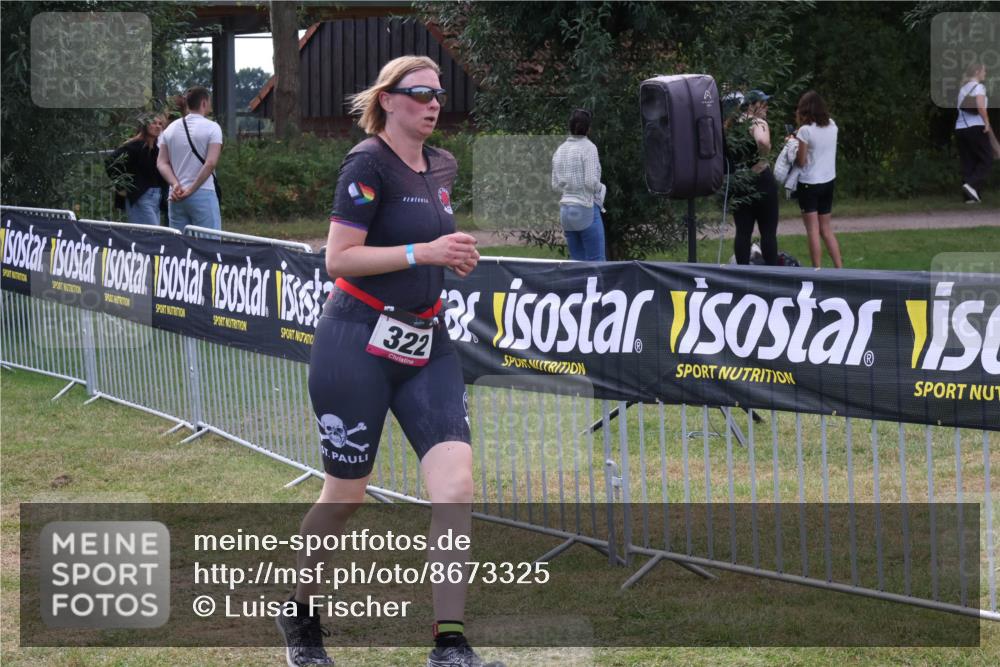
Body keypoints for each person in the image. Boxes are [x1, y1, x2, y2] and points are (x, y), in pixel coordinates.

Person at [275, 56, 502, 667]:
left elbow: (429, 243)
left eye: (439, 94)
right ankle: (300, 614)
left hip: (427, 342)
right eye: (420, 93)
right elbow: (339, 259)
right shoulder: (366, 163)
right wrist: (422, 252)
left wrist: (451, 256)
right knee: (346, 495)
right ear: (389, 99)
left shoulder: (443, 164)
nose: (433, 104)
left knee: (455, 488)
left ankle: (449, 642)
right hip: (356, 341)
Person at [156, 86, 223, 230]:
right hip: (203, 192)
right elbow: (210, 163)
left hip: (176, 196)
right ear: (204, 103)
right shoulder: (213, 127)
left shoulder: (170, 129)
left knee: (179, 241)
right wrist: (191, 190)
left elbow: (161, 162)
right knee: (208, 241)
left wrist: (175, 184)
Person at [728, 90, 779, 265]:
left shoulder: (733, 125)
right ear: (751, 106)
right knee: (768, 232)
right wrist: (764, 154)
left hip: (740, 181)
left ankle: (742, 271)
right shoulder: (758, 122)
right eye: (762, 103)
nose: (766, 107)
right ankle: (771, 273)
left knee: (742, 232)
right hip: (761, 179)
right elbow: (762, 141)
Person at [791, 91, 842, 268]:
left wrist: (792, 146)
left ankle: (817, 270)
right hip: (828, 181)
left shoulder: (805, 131)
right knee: (826, 229)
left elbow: (801, 161)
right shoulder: (832, 125)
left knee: (812, 230)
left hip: (810, 183)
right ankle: (839, 269)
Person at [551, 109, 607, 261]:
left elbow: (555, 185)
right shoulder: (589, 148)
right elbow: (590, 182)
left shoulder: (560, 149)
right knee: (596, 261)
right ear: (589, 128)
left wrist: (570, 186)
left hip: (566, 211)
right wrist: (601, 188)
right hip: (585, 207)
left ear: (569, 126)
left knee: (576, 263)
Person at [105, 113, 167, 226]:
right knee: (150, 233)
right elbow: (111, 162)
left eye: (160, 124)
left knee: (153, 233)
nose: (158, 126)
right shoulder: (134, 146)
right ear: (145, 125)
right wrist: (121, 186)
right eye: (154, 123)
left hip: (156, 197)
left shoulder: (155, 150)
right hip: (141, 197)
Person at [955, 62, 993, 204]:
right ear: (977, 72)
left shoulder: (963, 89)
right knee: (987, 158)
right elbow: (980, 106)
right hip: (976, 127)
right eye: (984, 71)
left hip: (960, 129)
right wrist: (987, 122)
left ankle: (969, 197)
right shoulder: (979, 87)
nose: (985, 73)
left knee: (968, 161)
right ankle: (971, 185)